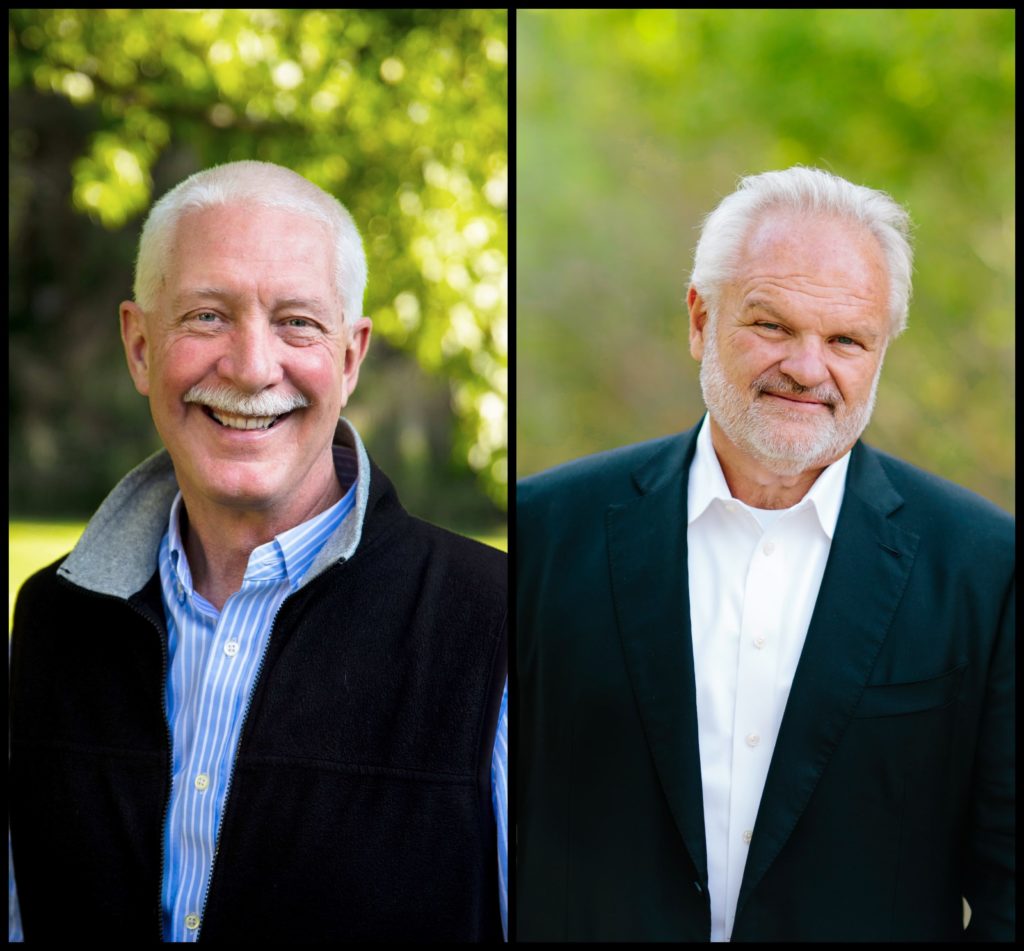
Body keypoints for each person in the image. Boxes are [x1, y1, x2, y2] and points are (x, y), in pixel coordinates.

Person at [9, 161, 508, 942]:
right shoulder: (53, 622)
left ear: (349, 357)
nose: (250, 366)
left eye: (298, 322)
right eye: (207, 316)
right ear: (140, 346)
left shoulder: (499, 625)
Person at [516, 166, 1014, 941]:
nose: (808, 369)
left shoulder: (985, 569)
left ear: (882, 350)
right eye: (772, 325)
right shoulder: (543, 533)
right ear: (698, 320)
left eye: (847, 339)